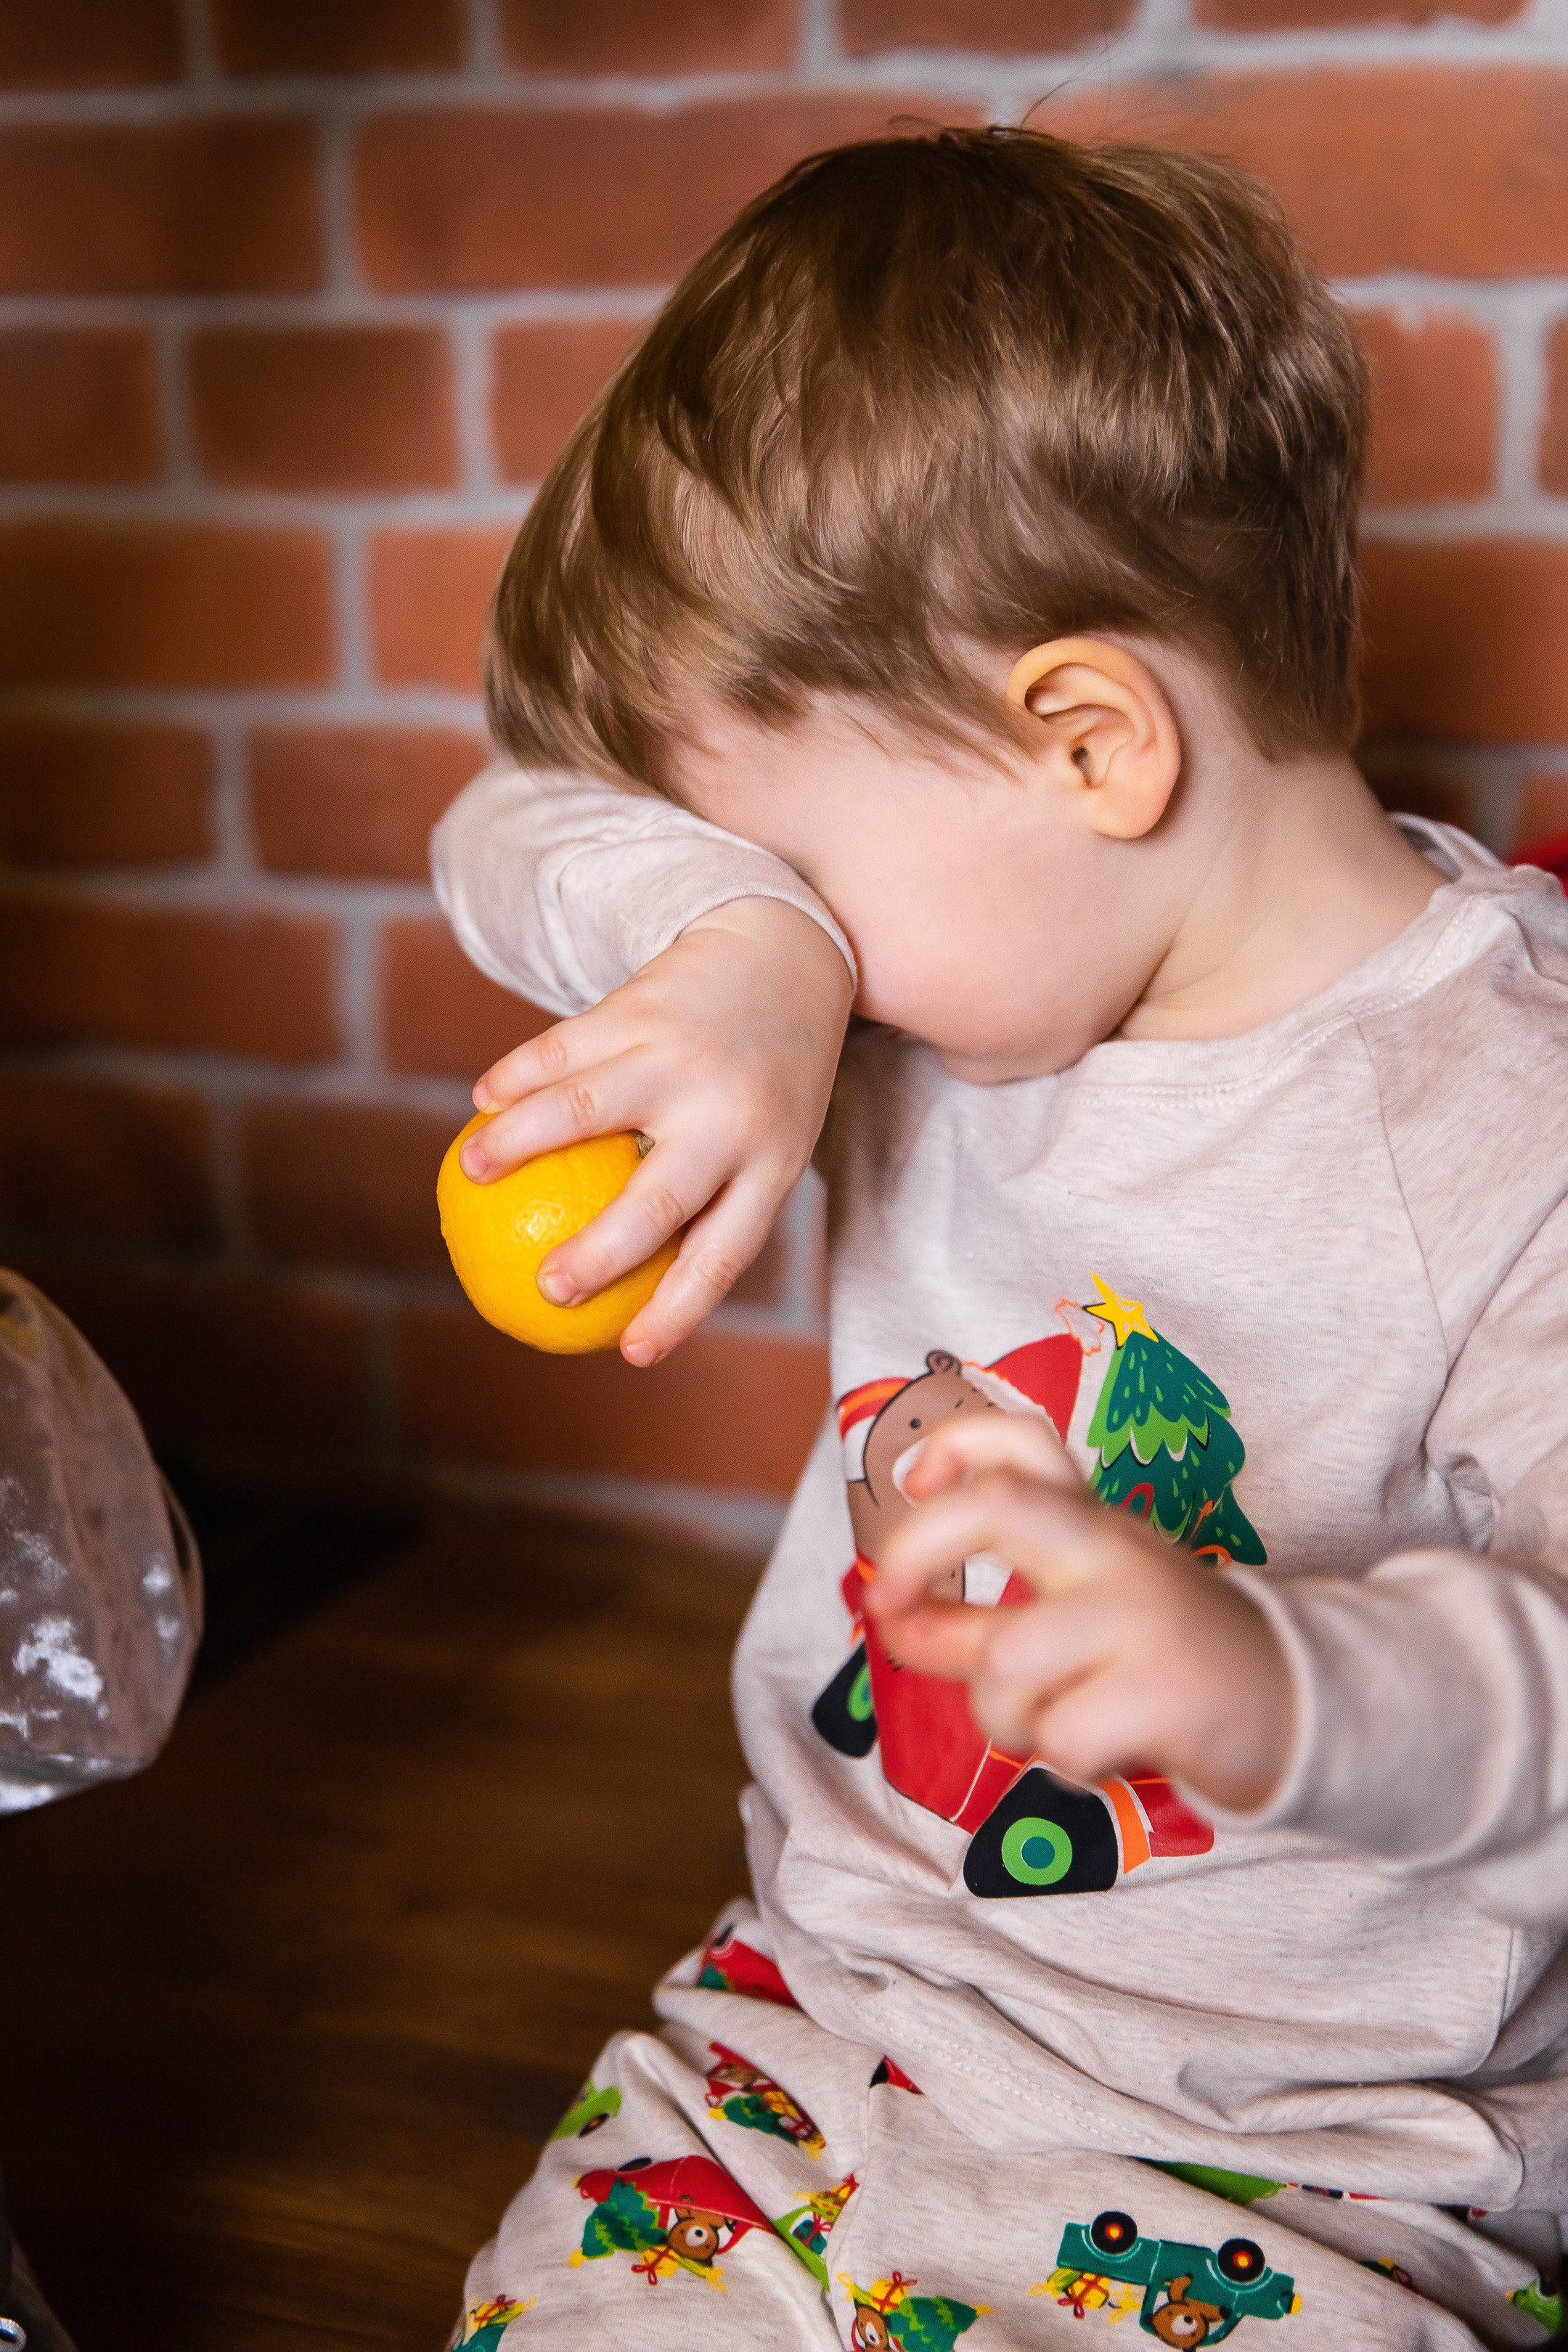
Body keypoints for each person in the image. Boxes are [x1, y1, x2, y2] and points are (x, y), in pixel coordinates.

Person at [431, 128, 1568, 2349]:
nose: (784, 938)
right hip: (827, 2019)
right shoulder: (921, 968)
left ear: (1087, 738)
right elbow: (503, 818)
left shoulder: (1511, 1124)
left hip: (1317, 2149)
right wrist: (742, 933)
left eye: (783, 860)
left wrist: (1269, 1679)